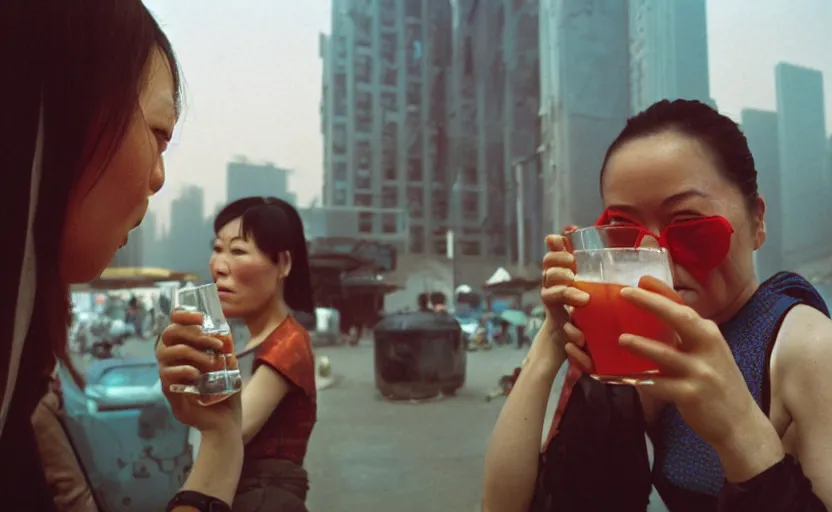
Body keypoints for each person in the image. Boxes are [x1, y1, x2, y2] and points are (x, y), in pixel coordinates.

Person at [482, 99, 832, 511]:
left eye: (686, 223)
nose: (654, 254)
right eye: (625, 230)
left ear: (757, 220)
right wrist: (551, 340)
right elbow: (507, 506)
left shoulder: (808, 348)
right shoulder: (644, 346)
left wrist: (739, 429)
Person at [159, 196, 317, 511]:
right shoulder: (248, 339)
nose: (219, 267)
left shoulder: (288, 344)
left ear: (283, 264)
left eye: (238, 251)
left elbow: (234, 428)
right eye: (217, 249)